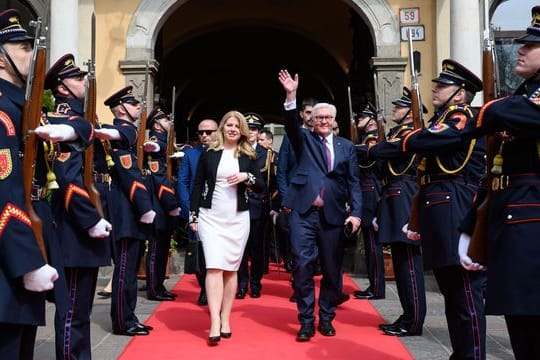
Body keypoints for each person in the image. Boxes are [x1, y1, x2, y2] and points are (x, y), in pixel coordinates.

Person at [458, 7, 540, 358]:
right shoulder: (521, 98)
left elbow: (517, 113)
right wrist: (470, 226)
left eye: (532, 45)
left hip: (531, 224)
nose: (521, 49)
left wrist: (486, 112)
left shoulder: (523, 104)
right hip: (513, 222)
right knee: (521, 325)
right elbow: (495, 172)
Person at [403, 60, 487, 358]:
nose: (435, 88)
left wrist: (410, 138)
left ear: (461, 94)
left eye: (443, 85)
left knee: (465, 295)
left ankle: (472, 355)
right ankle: (461, 353)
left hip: (457, 207)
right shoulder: (446, 117)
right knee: (453, 296)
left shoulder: (462, 116)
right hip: (441, 209)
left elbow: (431, 140)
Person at [277, 69, 362, 341]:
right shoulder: (304, 140)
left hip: (334, 216)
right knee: (302, 266)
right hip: (303, 214)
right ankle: (305, 319)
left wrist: (357, 213)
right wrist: (291, 96)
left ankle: (326, 317)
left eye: (328, 117)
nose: (323, 121)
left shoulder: (346, 146)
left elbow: (354, 182)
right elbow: (291, 123)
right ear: (311, 121)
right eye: (318, 117)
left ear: (334, 121)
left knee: (332, 270)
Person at [44, 53, 113, 359]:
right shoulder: (62, 123)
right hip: (73, 226)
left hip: (81, 224)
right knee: (71, 310)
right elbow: (67, 178)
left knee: (80, 309)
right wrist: (90, 219)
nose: (83, 81)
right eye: (76, 78)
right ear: (62, 88)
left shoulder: (81, 121)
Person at [0, 9, 59, 359]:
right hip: (9, 260)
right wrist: (29, 263)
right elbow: (5, 197)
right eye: (23, 46)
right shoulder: (3, 114)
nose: (32, 53)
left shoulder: (21, 107)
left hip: (21, 248)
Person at [356, 89, 427, 337]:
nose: (394, 110)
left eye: (399, 108)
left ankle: (414, 319)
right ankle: (408, 315)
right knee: (400, 262)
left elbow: (381, 151)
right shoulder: (398, 133)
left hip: (404, 196)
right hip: (393, 195)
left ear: (410, 113)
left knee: (408, 264)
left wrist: (348, 148)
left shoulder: (409, 134)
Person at [189, 110, 264, 345]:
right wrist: (193, 216)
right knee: (213, 267)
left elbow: (261, 185)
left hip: (237, 218)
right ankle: (213, 320)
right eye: (228, 124)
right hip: (210, 216)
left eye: (236, 125)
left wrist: (246, 177)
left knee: (231, 270)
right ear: (222, 127)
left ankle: (225, 318)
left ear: (241, 130)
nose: (232, 128)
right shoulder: (209, 152)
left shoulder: (248, 154)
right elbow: (197, 183)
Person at [98, 86, 156, 336]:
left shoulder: (127, 136)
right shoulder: (123, 132)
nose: (138, 108)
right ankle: (123, 321)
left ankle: (129, 316)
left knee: (130, 269)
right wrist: (144, 206)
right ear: (121, 108)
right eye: (133, 105)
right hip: (125, 211)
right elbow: (122, 136)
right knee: (124, 270)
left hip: (131, 211)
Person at [178, 118, 218, 305]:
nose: (204, 136)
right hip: (198, 211)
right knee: (199, 252)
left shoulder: (223, 153)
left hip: (217, 210)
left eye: (209, 132)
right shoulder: (191, 154)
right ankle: (204, 287)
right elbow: (183, 183)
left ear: (217, 132)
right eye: (201, 133)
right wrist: (189, 210)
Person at [142, 108, 181, 301]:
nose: (168, 122)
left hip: (164, 202)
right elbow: (159, 178)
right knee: (156, 248)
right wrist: (171, 203)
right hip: (159, 203)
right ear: (156, 124)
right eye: (165, 119)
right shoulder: (157, 142)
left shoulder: (166, 142)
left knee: (163, 246)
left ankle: (159, 284)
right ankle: (153, 287)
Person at [237, 112, 272, 299]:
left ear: (259, 133)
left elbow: (272, 181)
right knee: (240, 248)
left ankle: (255, 283)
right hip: (239, 203)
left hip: (258, 205)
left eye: (254, 129)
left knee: (257, 248)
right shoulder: (235, 150)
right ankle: (241, 284)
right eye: (248, 128)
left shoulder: (266, 154)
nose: (251, 132)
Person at [353, 105, 385, 301]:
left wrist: (350, 147)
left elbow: (368, 157)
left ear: (372, 120)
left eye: (362, 118)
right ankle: (374, 285)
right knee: (369, 242)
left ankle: (377, 287)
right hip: (366, 191)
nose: (358, 121)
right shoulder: (365, 139)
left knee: (373, 245)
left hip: (371, 192)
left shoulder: (372, 139)